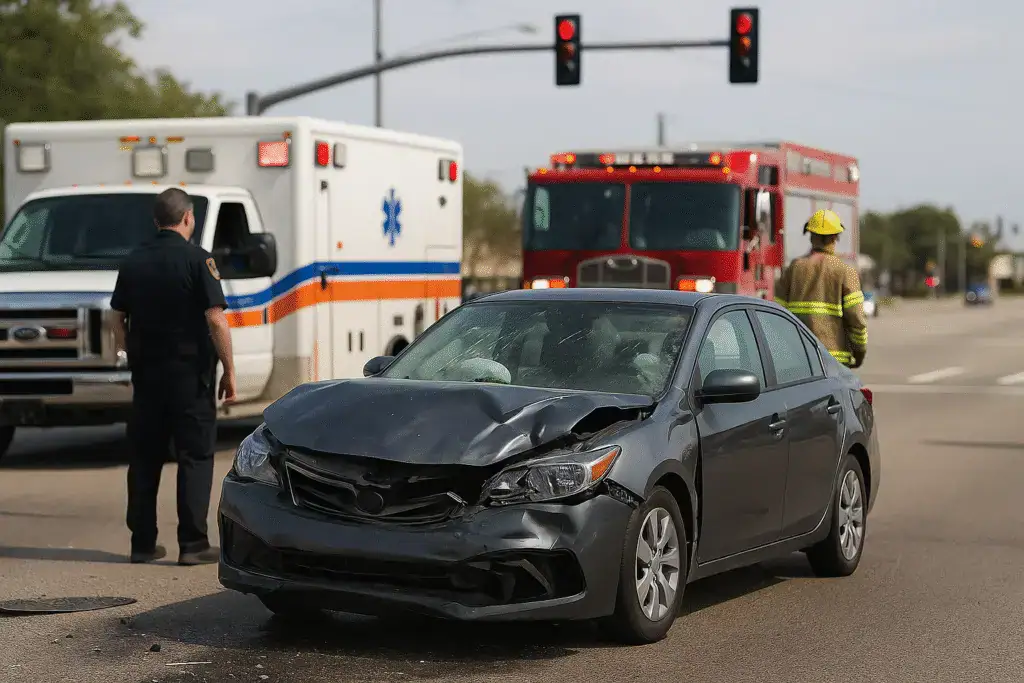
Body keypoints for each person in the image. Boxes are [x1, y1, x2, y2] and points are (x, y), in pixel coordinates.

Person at [111, 188, 237, 566]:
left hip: (147, 377)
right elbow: (215, 317)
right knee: (195, 456)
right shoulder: (198, 260)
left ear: (155, 221)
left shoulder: (132, 262)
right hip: (190, 377)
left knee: (145, 457)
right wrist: (229, 369)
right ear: (188, 219)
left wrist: (128, 352)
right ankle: (193, 544)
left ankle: (143, 544)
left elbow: (117, 316)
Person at [775, 209, 868, 369]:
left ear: (811, 236)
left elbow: (777, 312)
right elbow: (856, 319)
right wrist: (859, 352)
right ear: (835, 237)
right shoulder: (846, 272)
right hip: (834, 361)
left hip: (799, 357)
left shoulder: (794, 268)